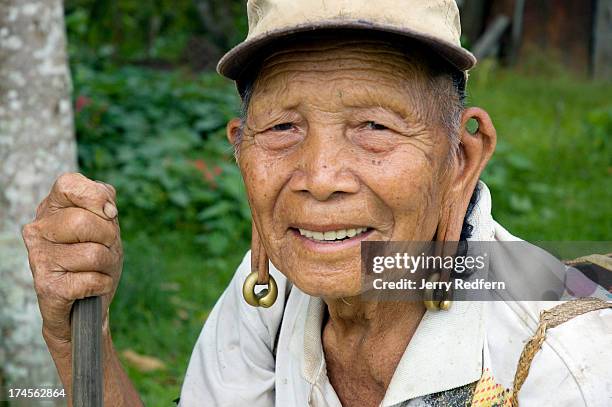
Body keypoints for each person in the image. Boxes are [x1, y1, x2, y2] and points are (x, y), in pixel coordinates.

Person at [22, 1, 611, 406]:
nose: (320, 177)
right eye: (282, 128)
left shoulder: (563, 358)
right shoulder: (271, 296)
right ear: (240, 150)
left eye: (374, 126)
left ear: (459, 158)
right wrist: (81, 340)